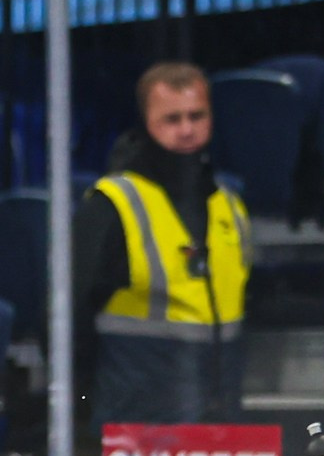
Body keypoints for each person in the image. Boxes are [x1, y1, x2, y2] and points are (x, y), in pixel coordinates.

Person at [73, 62, 253, 434]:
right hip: (136, 425)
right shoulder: (114, 203)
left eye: (197, 115)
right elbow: (67, 314)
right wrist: (84, 403)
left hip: (219, 419)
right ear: (145, 122)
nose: (186, 129)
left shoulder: (228, 205)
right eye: (171, 119)